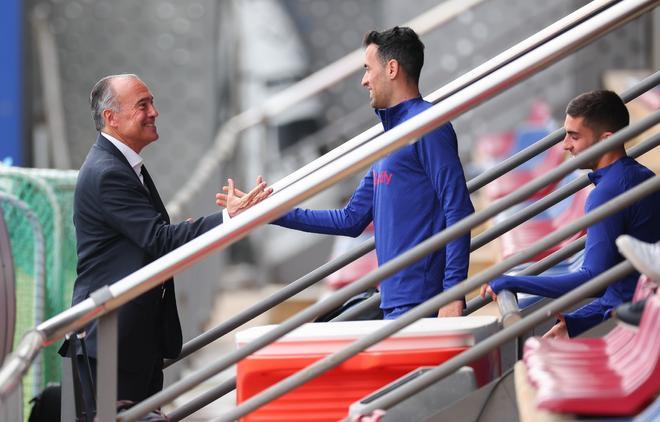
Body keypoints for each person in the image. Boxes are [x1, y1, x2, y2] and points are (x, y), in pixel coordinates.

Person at [219, 27, 474, 319]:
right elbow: (350, 219)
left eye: (368, 69)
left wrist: (453, 294)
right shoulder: (390, 137)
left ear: (392, 69)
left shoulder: (428, 126)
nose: (364, 79)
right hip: (394, 300)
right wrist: (267, 211)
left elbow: (459, 209)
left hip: (422, 302)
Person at [59, 74, 270, 407]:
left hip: (131, 338)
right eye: (142, 105)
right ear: (111, 118)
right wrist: (229, 217)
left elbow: (148, 236)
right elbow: (158, 239)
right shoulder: (108, 172)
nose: (154, 112)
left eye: (152, 102)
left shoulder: (121, 165)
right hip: (112, 341)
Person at [480, 90, 660, 338]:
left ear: (607, 139)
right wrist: (575, 322)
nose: (565, 144)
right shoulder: (638, 177)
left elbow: (593, 281)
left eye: (574, 136)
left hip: (631, 329)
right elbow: (623, 285)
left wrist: (514, 281)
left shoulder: (609, 192)